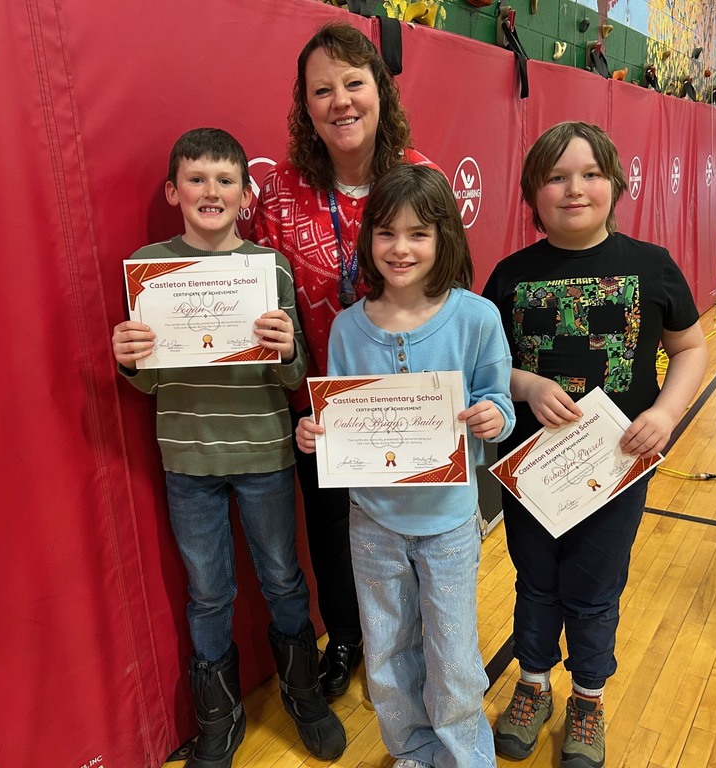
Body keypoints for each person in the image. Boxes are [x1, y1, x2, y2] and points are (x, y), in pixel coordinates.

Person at [111, 127, 345, 768]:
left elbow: (294, 378)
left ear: (246, 195)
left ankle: (303, 692)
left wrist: (289, 347)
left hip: (266, 454)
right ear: (172, 191)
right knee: (207, 592)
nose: (209, 191)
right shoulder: (150, 268)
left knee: (281, 578)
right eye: (196, 178)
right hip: (188, 459)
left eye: (224, 181)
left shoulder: (271, 267)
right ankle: (220, 715)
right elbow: (150, 378)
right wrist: (129, 360)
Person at [483, 121, 708, 768]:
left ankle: (587, 696)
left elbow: (689, 348)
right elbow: (482, 363)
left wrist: (666, 414)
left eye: (589, 174)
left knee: (594, 587)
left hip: (616, 470)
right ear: (532, 192)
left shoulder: (651, 266)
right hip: (532, 471)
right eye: (556, 176)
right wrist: (523, 383)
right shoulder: (510, 276)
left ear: (616, 182)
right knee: (536, 582)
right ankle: (531, 685)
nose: (573, 188)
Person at [296, 163, 516, 768]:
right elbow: (338, 414)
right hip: (372, 523)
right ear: (368, 240)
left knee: (453, 654)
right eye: (386, 233)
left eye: (418, 233)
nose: (401, 248)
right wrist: (316, 430)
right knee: (388, 651)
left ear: (445, 237)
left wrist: (495, 418)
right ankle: (411, 752)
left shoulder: (476, 318)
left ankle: (465, 757)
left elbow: (499, 400)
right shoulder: (346, 328)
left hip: (447, 523)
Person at [252, 19, 438, 697]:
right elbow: (255, 293)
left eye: (354, 83)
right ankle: (349, 640)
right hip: (320, 407)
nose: (341, 101)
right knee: (332, 535)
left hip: (407, 401)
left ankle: (420, 643)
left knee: (412, 534)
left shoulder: (418, 178)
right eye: (321, 89)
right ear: (305, 106)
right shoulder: (277, 196)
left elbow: (450, 290)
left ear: (379, 91)